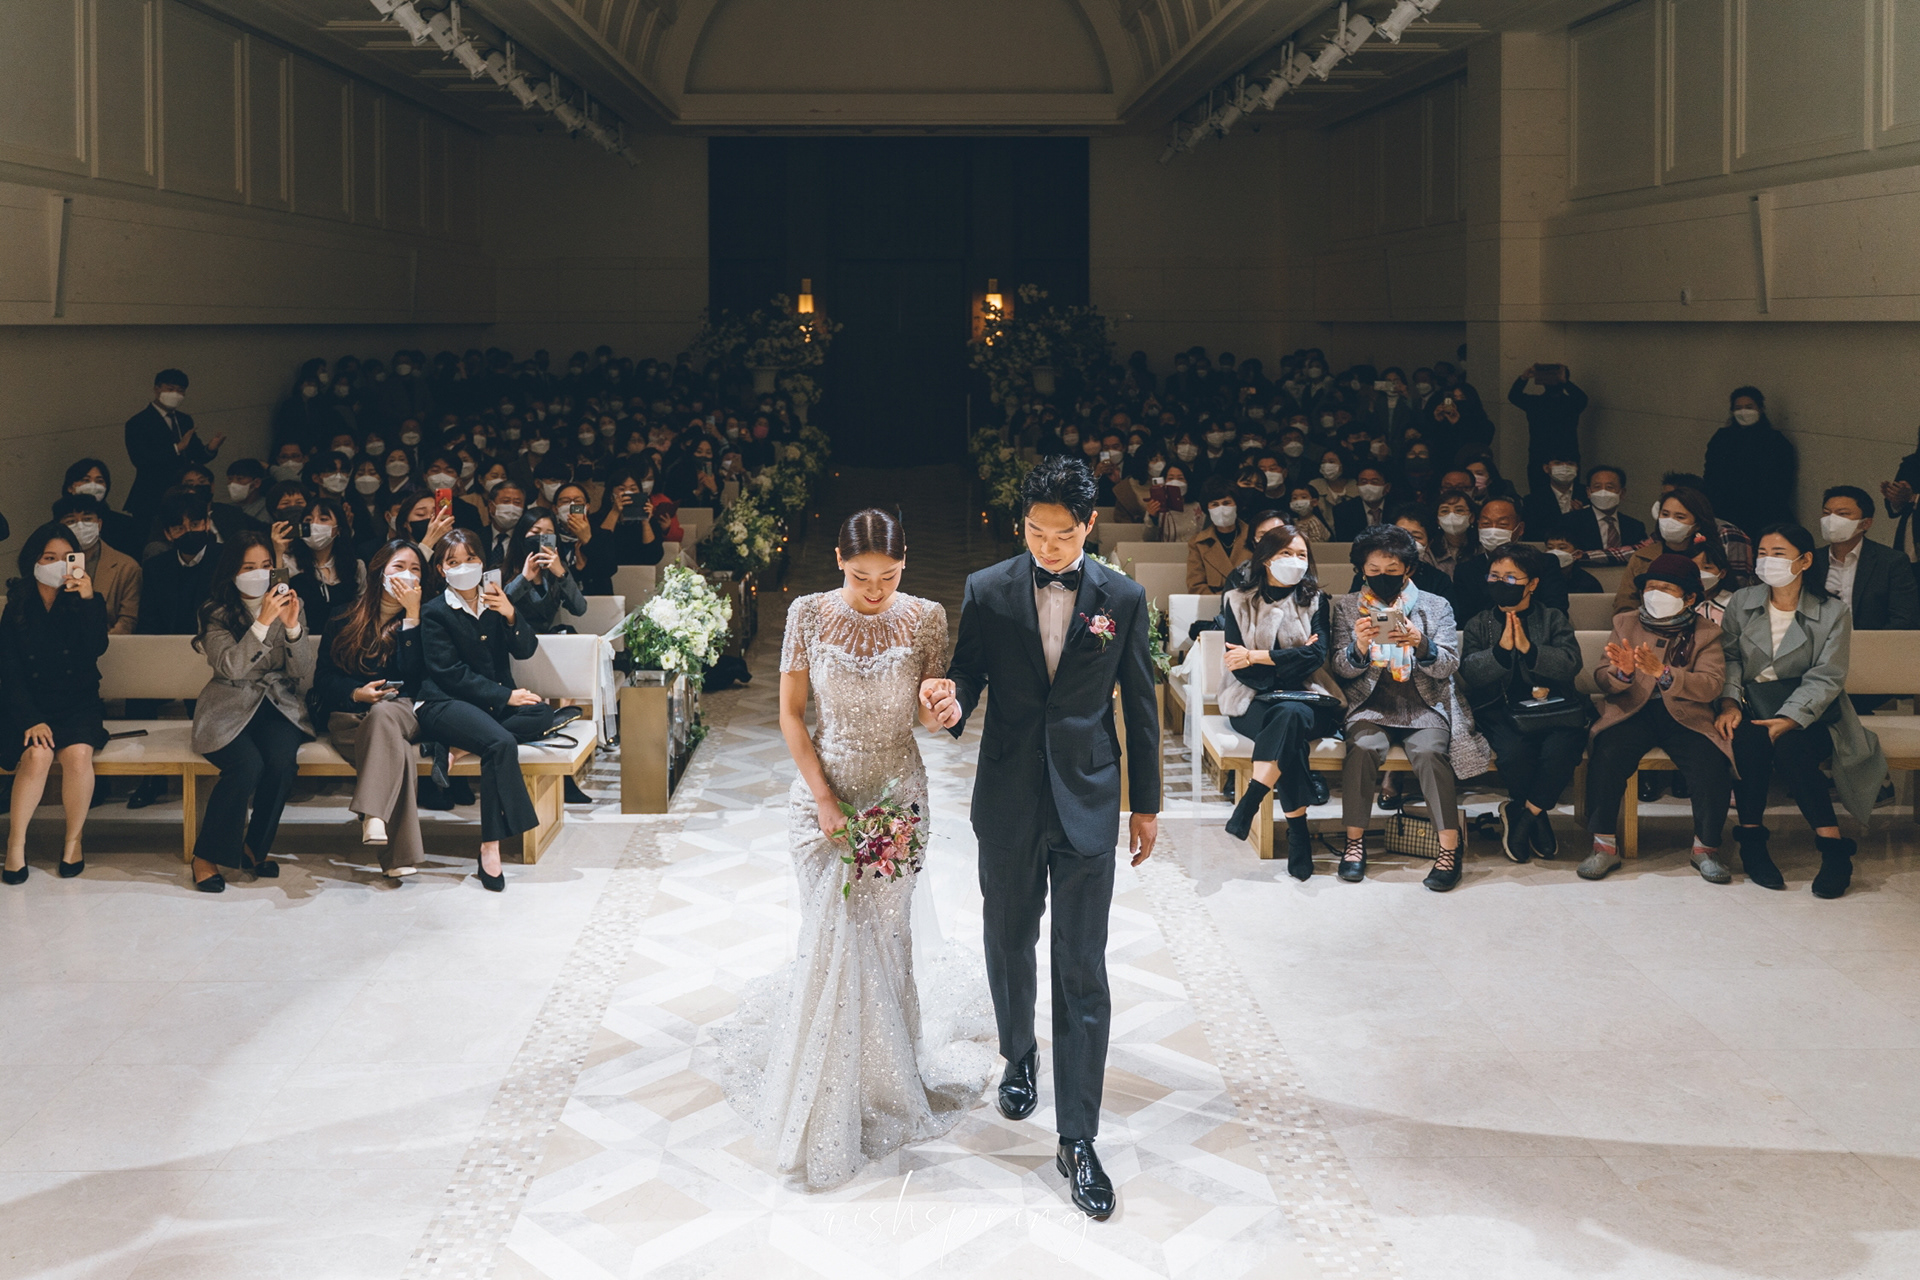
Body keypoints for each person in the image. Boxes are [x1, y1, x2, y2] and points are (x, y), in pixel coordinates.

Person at [723, 508, 992, 1191]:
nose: (876, 590)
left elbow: (930, 713)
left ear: (905, 566)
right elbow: (790, 714)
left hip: (898, 793)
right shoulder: (807, 614)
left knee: (884, 937)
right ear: (839, 563)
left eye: (890, 576)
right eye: (862, 576)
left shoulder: (926, 617)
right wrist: (822, 799)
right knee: (832, 936)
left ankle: (886, 1075)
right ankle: (824, 1078)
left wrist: (940, 703)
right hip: (825, 790)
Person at [923, 456, 1159, 1223]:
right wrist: (949, 705)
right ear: (1020, 523)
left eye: (1063, 534)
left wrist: (1146, 806)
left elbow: (1141, 705)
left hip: (1088, 798)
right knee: (1007, 938)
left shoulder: (1122, 597)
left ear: (1088, 525)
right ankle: (1018, 1053)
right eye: (1035, 532)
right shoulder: (988, 589)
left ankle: (1078, 1138)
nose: (1049, 547)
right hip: (1009, 798)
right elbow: (968, 677)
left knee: (1082, 967)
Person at [1715, 525, 1887, 899]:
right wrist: (1728, 702)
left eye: (1778, 553)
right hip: (1749, 703)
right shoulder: (1742, 602)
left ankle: (1834, 849)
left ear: (1805, 560)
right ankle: (1752, 843)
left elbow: (1828, 674)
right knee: (1748, 743)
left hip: (1811, 710)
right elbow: (1728, 658)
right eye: (1762, 553)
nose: (1767, 561)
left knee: (1792, 748)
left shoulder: (1833, 611)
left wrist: (1790, 718)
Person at [1330, 524, 1487, 891]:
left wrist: (1421, 644)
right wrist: (1358, 648)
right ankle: (1354, 843)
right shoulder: (1348, 607)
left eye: (1392, 570)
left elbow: (1448, 666)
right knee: (1363, 748)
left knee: (1430, 753)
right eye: (1373, 570)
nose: (1382, 577)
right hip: (1370, 704)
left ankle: (1449, 848)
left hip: (1425, 704)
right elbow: (1340, 668)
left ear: (1408, 570)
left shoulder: (1436, 605)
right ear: (1361, 569)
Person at [1579, 555, 1735, 881]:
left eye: (1666, 588)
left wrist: (1663, 673)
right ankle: (1603, 846)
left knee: (1710, 762)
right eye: (1650, 587)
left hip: (1685, 714)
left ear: (1689, 597)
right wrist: (1622, 674)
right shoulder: (1626, 622)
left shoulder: (1707, 632)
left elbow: (1711, 685)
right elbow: (1602, 675)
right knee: (1607, 754)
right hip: (1631, 710)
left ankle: (1706, 849)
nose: (1655, 594)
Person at [417, 530, 548, 892]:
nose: (463, 567)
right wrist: (506, 697)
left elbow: (525, 650)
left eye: (470, 559)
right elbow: (449, 673)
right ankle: (490, 846)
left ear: (483, 562)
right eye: (453, 562)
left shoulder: (495, 600)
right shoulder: (434, 611)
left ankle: (456, 748)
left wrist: (510, 614)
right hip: (444, 702)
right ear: (441, 569)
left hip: (488, 706)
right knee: (500, 744)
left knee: (542, 713)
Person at [187, 534, 315, 893]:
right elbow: (230, 666)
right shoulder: (215, 612)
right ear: (232, 572)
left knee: (281, 763)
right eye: (248, 567)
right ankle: (205, 856)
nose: (259, 574)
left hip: (277, 703)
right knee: (246, 766)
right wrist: (262, 621)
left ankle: (254, 848)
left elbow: (301, 670)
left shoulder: (292, 602)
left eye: (265, 566)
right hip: (228, 705)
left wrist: (292, 627)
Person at [1216, 526, 1338, 879]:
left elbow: (1316, 656)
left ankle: (1251, 800)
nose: (1295, 561)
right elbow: (1239, 666)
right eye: (1287, 553)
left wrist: (1256, 655)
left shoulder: (1316, 601)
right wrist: (1287, 661)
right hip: (1251, 698)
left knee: (1290, 714)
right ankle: (1298, 833)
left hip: (1310, 696)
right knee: (1289, 726)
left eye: (1302, 555)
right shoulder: (1237, 600)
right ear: (1267, 558)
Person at [1458, 545, 1587, 863]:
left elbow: (1571, 664)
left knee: (1562, 748)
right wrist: (1501, 651)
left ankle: (1525, 815)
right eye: (1494, 576)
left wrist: (1530, 650)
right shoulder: (1479, 623)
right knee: (1515, 753)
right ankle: (1537, 817)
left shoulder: (1553, 618)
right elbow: (1470, 673)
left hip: (1553, 708)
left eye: (1511, 577)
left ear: (1532, 584)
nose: (1501, 583)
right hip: (1498, 708)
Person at [0, 525, 109, 884]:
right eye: (49, 558)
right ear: (34, 561)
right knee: (37, 755)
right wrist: (30, 717)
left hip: (77, 703)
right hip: (29, 705)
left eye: (66, 558)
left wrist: (88, 600)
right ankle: (16, 844)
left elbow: (96, 648)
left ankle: (73, 842)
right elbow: (9, 670)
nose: (58, 565)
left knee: (78, 756)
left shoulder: (87, 600)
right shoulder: (17, 604)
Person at [314, 540, 429, 879]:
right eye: (399, 567)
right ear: (380, 571)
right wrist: (356, 693)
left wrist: (412, 617)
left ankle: (372, 812)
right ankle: (397, 858)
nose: (407, 575)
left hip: (406, 712)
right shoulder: (343, 616)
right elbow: (323, 677)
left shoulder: (429, 619)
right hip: (351, 718)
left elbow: (419, 677)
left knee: (384, 717)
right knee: (397, 751)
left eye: (415, 569)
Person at [124, 369, 223, 527]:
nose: (175, 394)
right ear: (157, 389)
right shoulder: (138, 422)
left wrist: (210, 448)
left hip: (184, 494)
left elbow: (197, 455)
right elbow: (141, 460)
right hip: (152, 495)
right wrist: (176, 448)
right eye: (170, 389)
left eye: (180, 391)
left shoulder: (184, 420)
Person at [1811, 486, 1920, 630]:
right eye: (1826, 513)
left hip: (1872, 642)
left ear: (1866, 523)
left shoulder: (1891, 561)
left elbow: (1905, 618)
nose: (1831, 520)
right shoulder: (1811, 560)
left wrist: (1870, 642)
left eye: (1842, 514)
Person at [1449, 497, 1570, 623]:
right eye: (1486, 524)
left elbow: (1557, 611)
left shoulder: (1545, 563)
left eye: (1502, 524)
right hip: (1485, 632)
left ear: (1520, 528)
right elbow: (1465, 619)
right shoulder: (1466, 570)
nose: (1493, 530)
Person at [1616, 486, 1729, 614]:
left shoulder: (1709, 556)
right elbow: (1625, 603)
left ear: (1697, 524)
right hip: (1646, 624)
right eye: (1665, 514)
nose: (1669, 521)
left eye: (1680, 517)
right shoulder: (1642, 557)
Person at [1704, 386, 1796, 537]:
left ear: (1760, 409)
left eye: (1749, 407)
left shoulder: (1775, 441)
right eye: (1738, 408)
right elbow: (1711, 475)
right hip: (1727, 509)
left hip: (1764, 513)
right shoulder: (1722, 438)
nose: (1743, 412)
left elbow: (1783, 480)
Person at [52, 495, 140, 634]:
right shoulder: (48, 564)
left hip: (109, 642)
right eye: (71, 521)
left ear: (99, 524)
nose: (80, 525)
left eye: (87, 519)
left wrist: (103, 643)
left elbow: (128, 620)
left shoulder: (126, 567)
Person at [282, 495, 365, 638]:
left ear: (338, 529)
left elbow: (362, 607)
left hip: (344, 641)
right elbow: (278, 594)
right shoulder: (288, 562)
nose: (314, 524)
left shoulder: (355, 566)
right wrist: (278, 552)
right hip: (300, 640)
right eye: (308, 520)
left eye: (323, 519)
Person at [1508, 363, 1588, 494]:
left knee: (1569, 494)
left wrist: (1524, 378)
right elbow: (1514, 396)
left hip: (1562, 457)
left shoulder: (1541, 403)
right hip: (1543, 457)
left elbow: (1583, 399)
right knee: (1540, 495)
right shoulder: (1538, 403)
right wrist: (1524, 377)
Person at [1561, 465, 1646, 563]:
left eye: (1610, 487)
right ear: (1589, 492)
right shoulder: (1570, 522)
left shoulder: (1635, 527)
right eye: (1597, 487)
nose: (1603, 492)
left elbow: (1641, 557)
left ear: (1622, 493)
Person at [62, 459, 144, 557]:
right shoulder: (55, 526)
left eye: (99, 481)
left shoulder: (126, 525)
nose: (93, 486)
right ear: (70, 487)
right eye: (86, 480)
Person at [1185, 479, 1252, 594]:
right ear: (1207, 508)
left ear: (1237, 505)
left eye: (1226, 503)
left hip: (1248, 600)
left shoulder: (1254, 536)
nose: (1221, 509)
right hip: (1212, 602)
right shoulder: (1198, 543)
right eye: (1214, 504)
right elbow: (1195, 585)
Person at [1330, 466, 1393, 539]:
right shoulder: (1343, 510)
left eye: (1374, 482)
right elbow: (1344, 541)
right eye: (1363, 482)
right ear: (1357, 486)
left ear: (1387, 487)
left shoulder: (1398, 509)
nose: (1368, 486)